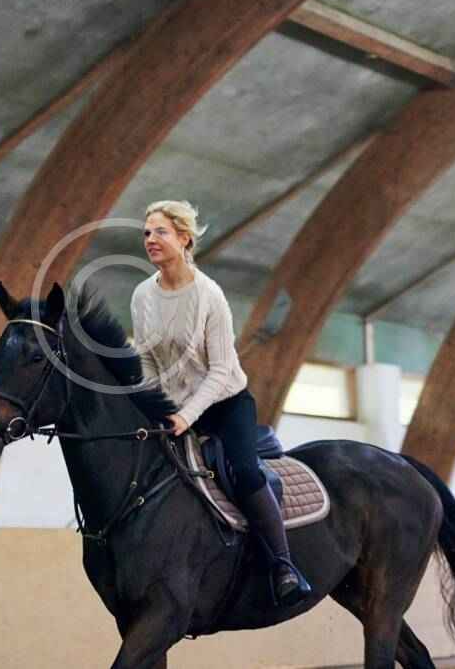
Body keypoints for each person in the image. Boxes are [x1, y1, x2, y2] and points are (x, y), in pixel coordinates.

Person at [130, 199, 312, 607]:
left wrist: (186, 415)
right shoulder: (142, 296)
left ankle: (283, 565)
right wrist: (153, 404)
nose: (150, 239)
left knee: (244, 471)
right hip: (171, 407)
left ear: (184, 238)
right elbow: (145, 358)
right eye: (146, 233)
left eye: (160, 232)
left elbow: (220, 370)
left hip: (225, 403)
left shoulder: (209, 295)